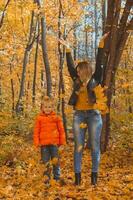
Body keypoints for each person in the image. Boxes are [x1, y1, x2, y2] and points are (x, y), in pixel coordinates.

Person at [60, 33, 109, 186]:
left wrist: (101, 44)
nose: (79, 72)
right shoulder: (76, 79)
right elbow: (69, 66)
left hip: (94, 115)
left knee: (95, 146)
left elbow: (100, 62)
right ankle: (78, 178)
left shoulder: (96, 79)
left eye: (81, 70)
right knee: (78, 146)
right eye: (78, 70)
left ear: (87, 70)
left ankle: (94, 178)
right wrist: (67, 49)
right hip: (79, 115)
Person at [33, 96, 66, 184]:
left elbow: (61, 130)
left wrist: (62, 142)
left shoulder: (56, 118)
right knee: (45, 162)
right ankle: (46, 178)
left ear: (52, 107)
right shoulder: (39, 118)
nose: (47, 109)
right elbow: (36, 131)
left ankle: (57, 177)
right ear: (42, 108)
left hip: (54, 144)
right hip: (44, 145)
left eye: (49, 107)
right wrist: (36, 142)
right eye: (46, 107)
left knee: (56, 161)